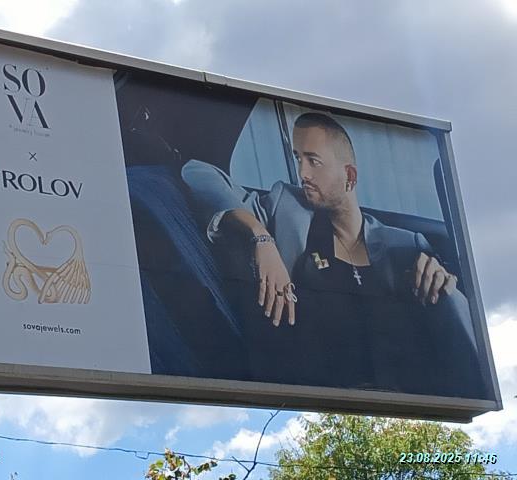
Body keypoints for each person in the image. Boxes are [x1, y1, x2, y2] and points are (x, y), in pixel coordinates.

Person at [181, 112, 488, 398]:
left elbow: (451, 322)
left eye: (313, 161)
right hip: (310, 394)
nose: (302, 173)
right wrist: (261, 237)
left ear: (349, 176)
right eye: (298, 159)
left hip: (405, 398)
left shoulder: (406, 245)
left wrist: (442, 281)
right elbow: (198, 172)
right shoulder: (285, 208)